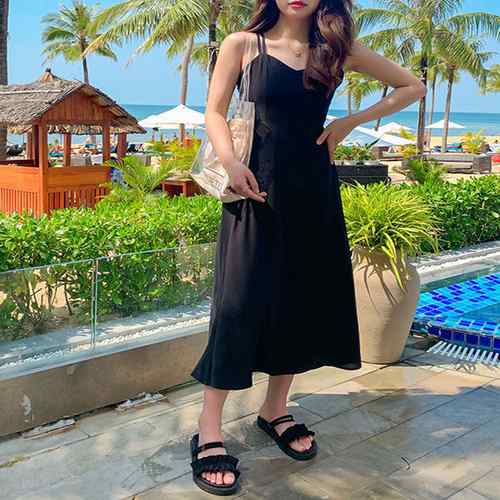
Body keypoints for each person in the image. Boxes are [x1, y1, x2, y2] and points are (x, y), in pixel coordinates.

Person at [189, 0, 426, 495]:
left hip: (313, 192)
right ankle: (209, 429)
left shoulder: (337, 49)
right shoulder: (243, 44)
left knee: (297, 299)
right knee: (237, 305)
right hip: (254, 187)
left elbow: (412, 86)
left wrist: (350, 121)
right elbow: (213, 112)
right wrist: (230, 162)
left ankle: (275, 409)